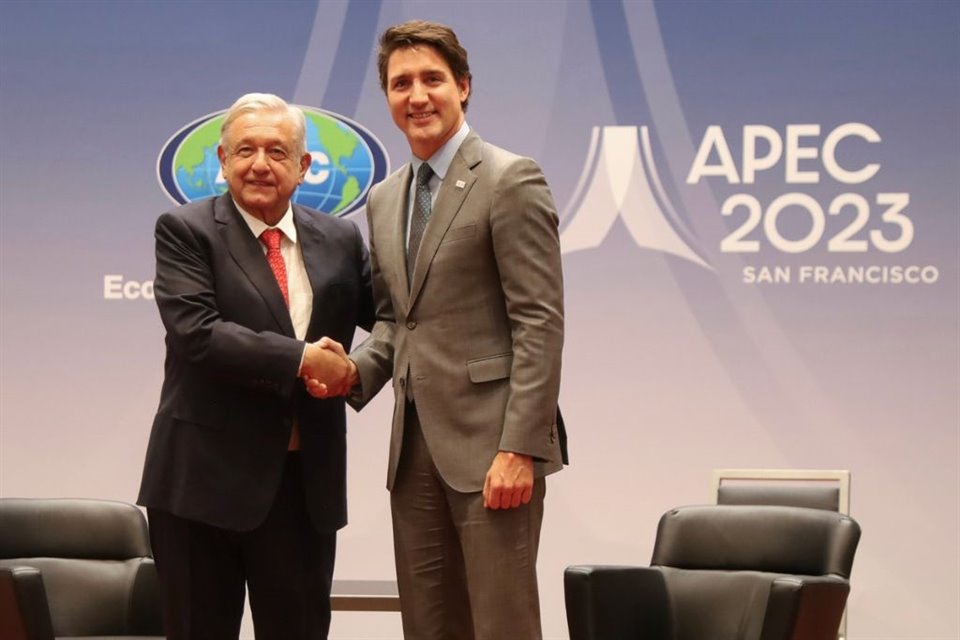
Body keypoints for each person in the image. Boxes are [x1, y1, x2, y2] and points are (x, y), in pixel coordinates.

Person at [320, 20, 567, 640]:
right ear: (388, 99)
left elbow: (538, 322)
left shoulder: (511, 178)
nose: (417, 95)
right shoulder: (384, 198)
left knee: (501, 625)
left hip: (494, 450)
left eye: (432, 79)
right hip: (415, 452)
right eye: (401, 83)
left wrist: (520, 448)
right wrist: (353, 371)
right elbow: (394, 319)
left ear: (463, 87)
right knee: (428, 628)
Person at [137, 93, 373, 640]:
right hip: (200, 487)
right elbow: (198, 334)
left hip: (301, 489)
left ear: (304, 167)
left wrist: (354, 369)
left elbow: (392, 323)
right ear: (222, 160)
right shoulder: (185, 230)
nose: (260, 164)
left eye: (276, 151)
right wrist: (302, 359)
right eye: (245, 150)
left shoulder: (339, 238)